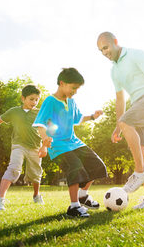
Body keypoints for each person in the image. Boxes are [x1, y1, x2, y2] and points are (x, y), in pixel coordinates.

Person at [96, 32, 144, 209]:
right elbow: (120, 100)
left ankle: (140, 172)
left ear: (115, 42)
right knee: (141, 149)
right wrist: (118, 126)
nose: (104, 52)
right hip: (138, 104)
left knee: (127, 123)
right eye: (100, 50)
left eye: (106, 47)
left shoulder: (136, 54)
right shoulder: (114, 70)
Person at [33, 68, 107, 218]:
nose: (75, 91)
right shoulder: (50, 101)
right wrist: (44, 138)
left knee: (97, 165)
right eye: (73, 88)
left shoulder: (71, 101)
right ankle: (74, 207)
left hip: (74, 142)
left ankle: (83, 195)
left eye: (77, 89)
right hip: (58, 145)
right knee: (75, 167)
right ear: (62, 83)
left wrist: (93, 116)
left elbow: (77, 119)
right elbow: (40, 123)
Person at [0, 84, 45, 211]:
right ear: (23, 98)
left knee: (35, 174)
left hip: (35, 147)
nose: (34, 102)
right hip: (18, 145)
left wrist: (45, 145)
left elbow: (45, 130)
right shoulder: (14, 111)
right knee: (14, 169)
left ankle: (36, 195)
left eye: (37, 99)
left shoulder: (40, 113)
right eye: (31, 99)